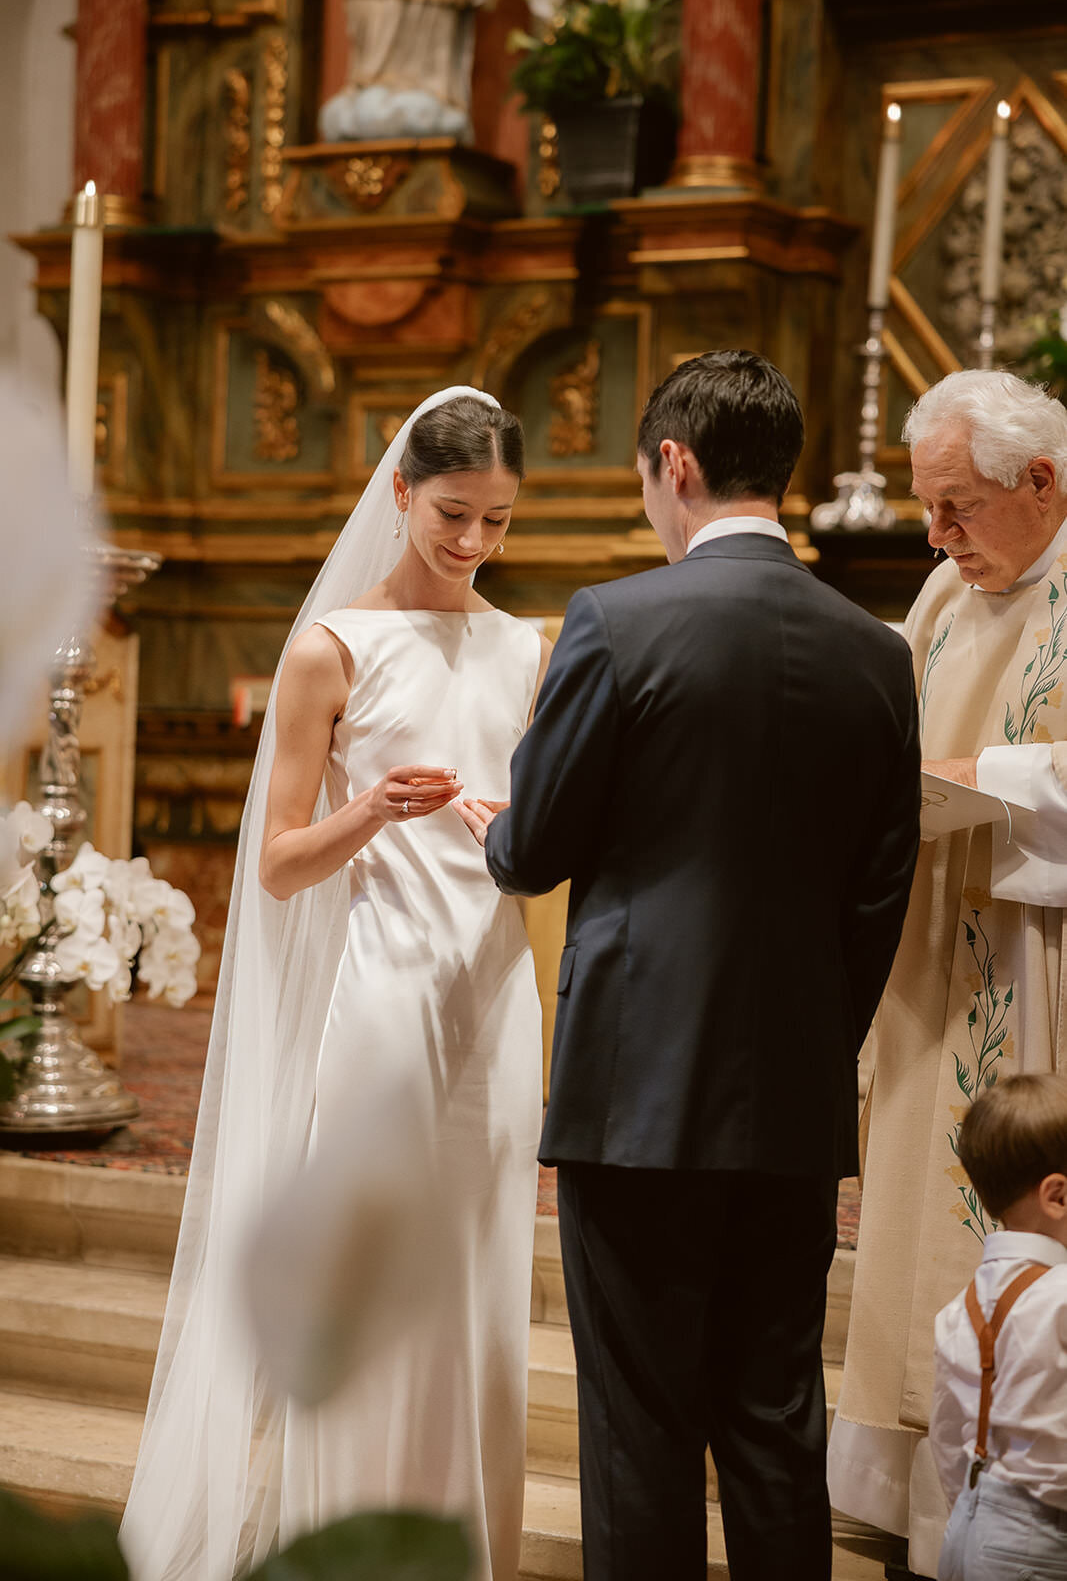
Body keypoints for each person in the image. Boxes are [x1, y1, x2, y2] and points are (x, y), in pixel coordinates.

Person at [454, 350, 921, 1581]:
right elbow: (881, 888)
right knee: (774, 1417)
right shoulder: (876, 652)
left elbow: (536, 848)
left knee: (640, 1426)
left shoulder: (618, 619)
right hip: (794, 1103)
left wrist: (493, 827)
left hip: (633, 1101)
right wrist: (818, 1041)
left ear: (673, 464)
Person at [119, 388, 551, 1581]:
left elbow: (550, 827)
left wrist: (522, 818)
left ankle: (469, 1554)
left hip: (494, 992)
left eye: (497, 523)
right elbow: (273, 865)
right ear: (401, 492)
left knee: (479, 1278)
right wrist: (373, 809)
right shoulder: (331, 647)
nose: (470, 544)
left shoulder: (529, 648)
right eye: (452, 514)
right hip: (382, 995)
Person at [827, 370, 1067, 1580]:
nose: (936, 535)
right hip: (929, 951)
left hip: (1039, 959)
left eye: (958, 506)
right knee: (915, 1206)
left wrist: (999, 777)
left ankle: (1017, 1482)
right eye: (927, 507)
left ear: (1042, 482)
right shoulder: (937, 591)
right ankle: (906, 1477)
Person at [930, 1075, 1067, 1581]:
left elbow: (947, 1437)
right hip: (1046, 1538)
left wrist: (975, 1514)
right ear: (1058, 1196)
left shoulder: (958, 1309)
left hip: (971, 1526)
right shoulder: (1061, 1296)